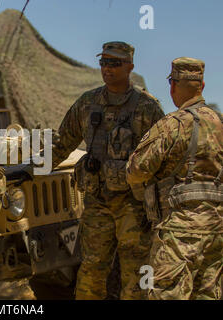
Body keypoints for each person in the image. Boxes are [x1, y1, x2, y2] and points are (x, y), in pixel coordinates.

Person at [48, 41, 165, 299]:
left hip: (133, 206)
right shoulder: (88, 103)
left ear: (130, 67)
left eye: (115, 63)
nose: (107, 68)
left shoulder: (147, 107)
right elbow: (62, 142)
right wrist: (34, 168)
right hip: (97, 204)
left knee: (136, 275)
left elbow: (162, 158)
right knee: (91, 270)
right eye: (103, 62)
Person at [126, 57, 222, 300]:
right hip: (217, 229)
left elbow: (136, 169)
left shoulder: (172, 125)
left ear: (173, 85)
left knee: (167, 294)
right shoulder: (219, 123)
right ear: (201, 85)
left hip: (179, 233)